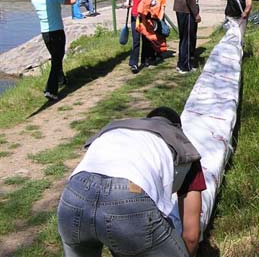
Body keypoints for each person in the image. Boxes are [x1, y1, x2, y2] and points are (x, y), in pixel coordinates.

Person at [57, 106, 206, 257]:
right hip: (127, 201)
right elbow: (191, 236)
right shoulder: (186, 150)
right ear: (177, 128)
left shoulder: (117, 130)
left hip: (74, 194)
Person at [31, 0, 78, 101]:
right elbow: (72, 0)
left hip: (45, 33)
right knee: (57, 60)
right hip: (57, 32)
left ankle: (61, 80)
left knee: (56, 57)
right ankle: (50, 90)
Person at [125, 0, 156, 73]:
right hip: (136, 16)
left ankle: (145, 60)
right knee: (136, 40)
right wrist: (127, 4)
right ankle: (134, 63)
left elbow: (154, 1)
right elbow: (128, 0)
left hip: (146, 16)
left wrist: (149, 2)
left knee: (146, 39)